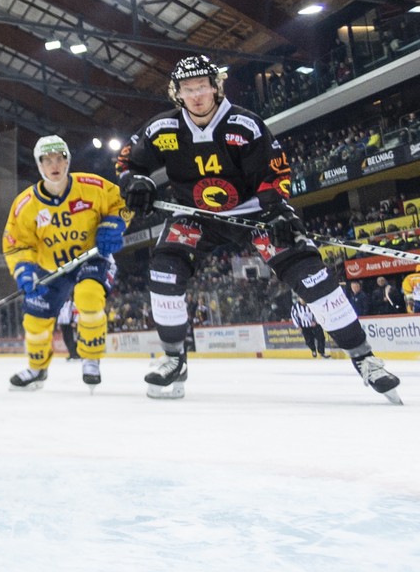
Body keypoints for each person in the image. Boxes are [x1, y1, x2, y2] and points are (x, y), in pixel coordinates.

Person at [117, 55, 400, 403]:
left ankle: (365, 358)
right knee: (163, 272)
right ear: (177, 93)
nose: (196, 95)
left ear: (215, 87)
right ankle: (174, 358)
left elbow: (274, 173)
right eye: (188, 89)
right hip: (193, 214)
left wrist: (279, 212)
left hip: (254, 213)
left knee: (311, 276)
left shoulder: (243, 124)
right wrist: (135, 181)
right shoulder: (163, 129)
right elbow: (128, 162)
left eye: (202, 87)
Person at [2, 135, 129, 390]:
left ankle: (91, 359)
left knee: (89, 297)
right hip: (50, 268)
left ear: (67, 160)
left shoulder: (93, 187)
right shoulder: (26, 205)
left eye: (59, 158)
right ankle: (37, 368)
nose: (54, 165)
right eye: (47, 160)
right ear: (39, 166)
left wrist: (114, 224)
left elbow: (121, 203)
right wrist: (23, 269)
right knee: (35, 321)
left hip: (90, 258)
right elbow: (17, 243)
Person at [57, 297, 79, 362]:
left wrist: (75, 321)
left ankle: (74, 354)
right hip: (63, 323)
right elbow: (59, 314)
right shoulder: (61, 304)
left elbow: (76, 313)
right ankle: (71, 353)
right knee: (66, 339)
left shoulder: (72, 304)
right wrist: (59, 323)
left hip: (70, 323)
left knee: (71, 339)